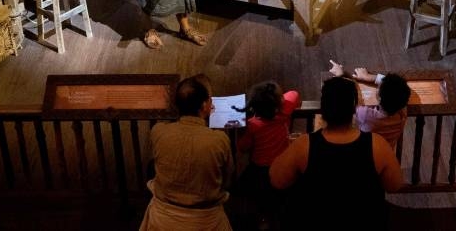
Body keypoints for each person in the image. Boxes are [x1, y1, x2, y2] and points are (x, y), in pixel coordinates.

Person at [269, 76, 403, 229]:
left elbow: (277, 180)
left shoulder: (304, 145)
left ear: (323, 109)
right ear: (353, 109)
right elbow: (395, 185)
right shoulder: (377, 144)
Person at [140, 74, 234, 231]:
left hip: (162, 219)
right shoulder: (219, 140)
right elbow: (227, 179)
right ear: (204, 105)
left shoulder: (158, 131)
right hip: (206, 221)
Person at [235, 81, 302, 227]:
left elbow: (243, 147)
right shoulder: (284, 113)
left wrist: (241, 132)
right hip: (281, 168)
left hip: (259, 172)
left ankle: (259, 220)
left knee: (242, 191)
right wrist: (279, 103)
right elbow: (294, 94)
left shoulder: (253, 125)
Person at [328, 60, 411, 149]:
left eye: (379, 87)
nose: (378, 86)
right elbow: (399, 88)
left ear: (379, 97)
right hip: (385, 152)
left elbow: (345, 98)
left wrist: (341, 75)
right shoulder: (402, 114)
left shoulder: (365, 115)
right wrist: (369, 77)